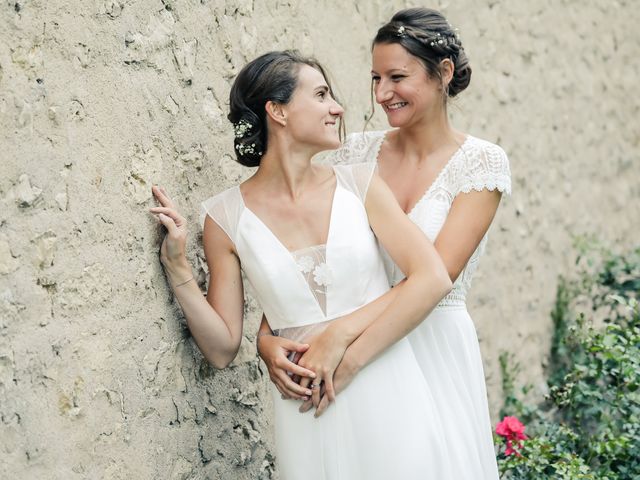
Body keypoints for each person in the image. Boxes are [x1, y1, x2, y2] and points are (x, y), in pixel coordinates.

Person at [150, 50, 456, 479]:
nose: (338, 107)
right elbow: (221, 348)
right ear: (277, 111)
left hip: (388, 384)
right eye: (321, 94)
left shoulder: (360, 183)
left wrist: (341, 345)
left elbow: (432, 277)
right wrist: (179, 270)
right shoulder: (224, 218)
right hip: (308, 411)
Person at [257, 8, 511, 480]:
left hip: (428, 344)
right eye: (375, 77)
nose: (381, 93)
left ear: (444, 74)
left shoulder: (481, 165)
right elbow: (313, 254)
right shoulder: (354, 153)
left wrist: (345, 351)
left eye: (397, 76)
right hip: (351, 346)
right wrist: (266, 338)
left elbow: (435, 279)